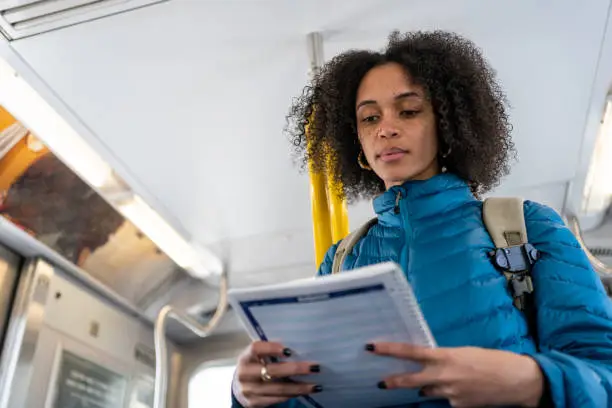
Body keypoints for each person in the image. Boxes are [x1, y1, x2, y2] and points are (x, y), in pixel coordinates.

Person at [231, 30, 612, 407]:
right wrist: (250, 393)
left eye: (409, 110)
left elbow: (603, 373)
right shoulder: (340, 261)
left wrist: (529, 380)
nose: (386, 128)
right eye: (369, 118)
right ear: (358, 144)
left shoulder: (527, 227)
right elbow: (316, 393)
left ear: (446, 124)